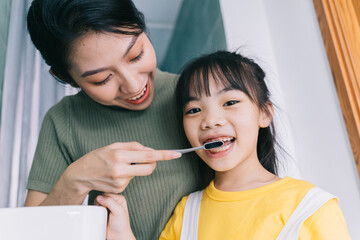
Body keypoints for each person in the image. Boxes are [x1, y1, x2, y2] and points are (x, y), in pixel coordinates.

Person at [98, 50, 351, 239]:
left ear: (264, 113)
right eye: (194, 109)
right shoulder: (188, 212)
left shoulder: (312, 208)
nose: (210, 121)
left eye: (230, 102)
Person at [24, 0, 211, 239]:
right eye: (102, 79)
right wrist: (76, 179)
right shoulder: (63, 121)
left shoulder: (198, 96)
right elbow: (28, 232)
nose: (134, 85)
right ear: (66, 78)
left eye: (136, 55)